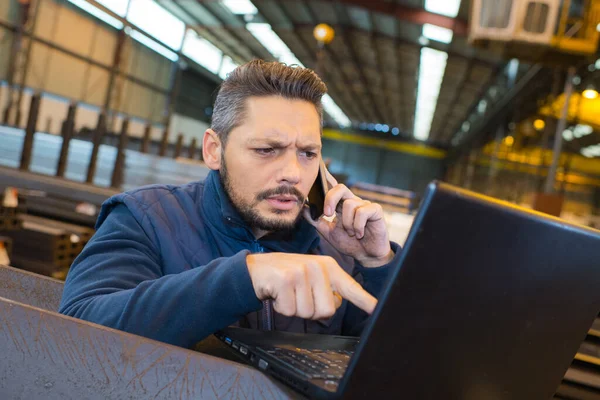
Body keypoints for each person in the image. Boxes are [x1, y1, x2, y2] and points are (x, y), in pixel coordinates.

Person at [59, 60, 402, 349]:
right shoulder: (147, 218)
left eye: (307, 153)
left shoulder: (338, 249)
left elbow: (398, 364)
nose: (293, 173)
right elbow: (77, 327)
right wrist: (245, 277)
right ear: (214, 150)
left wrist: (378, 265)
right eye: (267, 150)